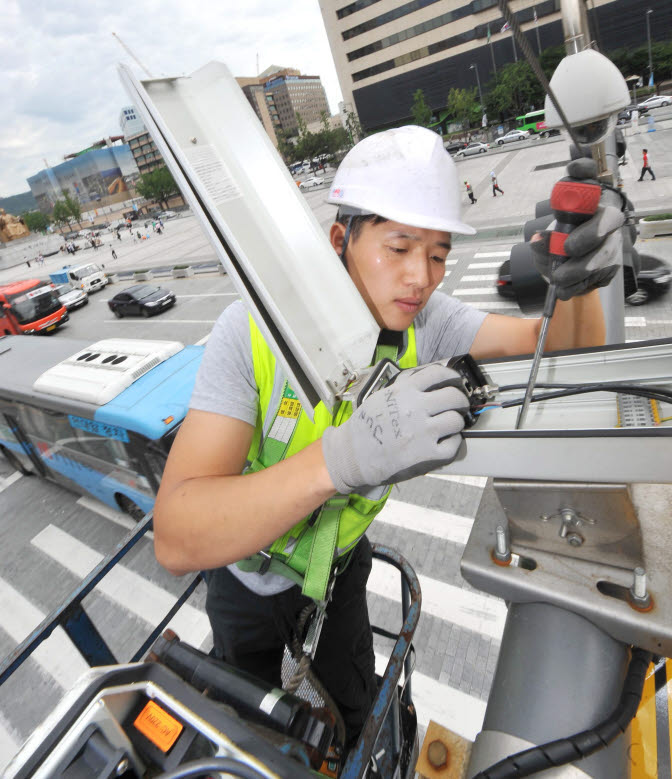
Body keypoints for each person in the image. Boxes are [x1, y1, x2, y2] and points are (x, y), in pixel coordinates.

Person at [153, 126, 621, 751]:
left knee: (354, 712)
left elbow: (563, 345)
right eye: (399, 246)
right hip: (249, 581)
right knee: (252, 725)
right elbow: (178, 535)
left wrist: (579, 283)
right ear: (339, 240)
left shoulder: (427, 323)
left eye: (437, 253)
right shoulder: (252, 334)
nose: (420, 277)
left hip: (338, 573)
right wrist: (340, 459)